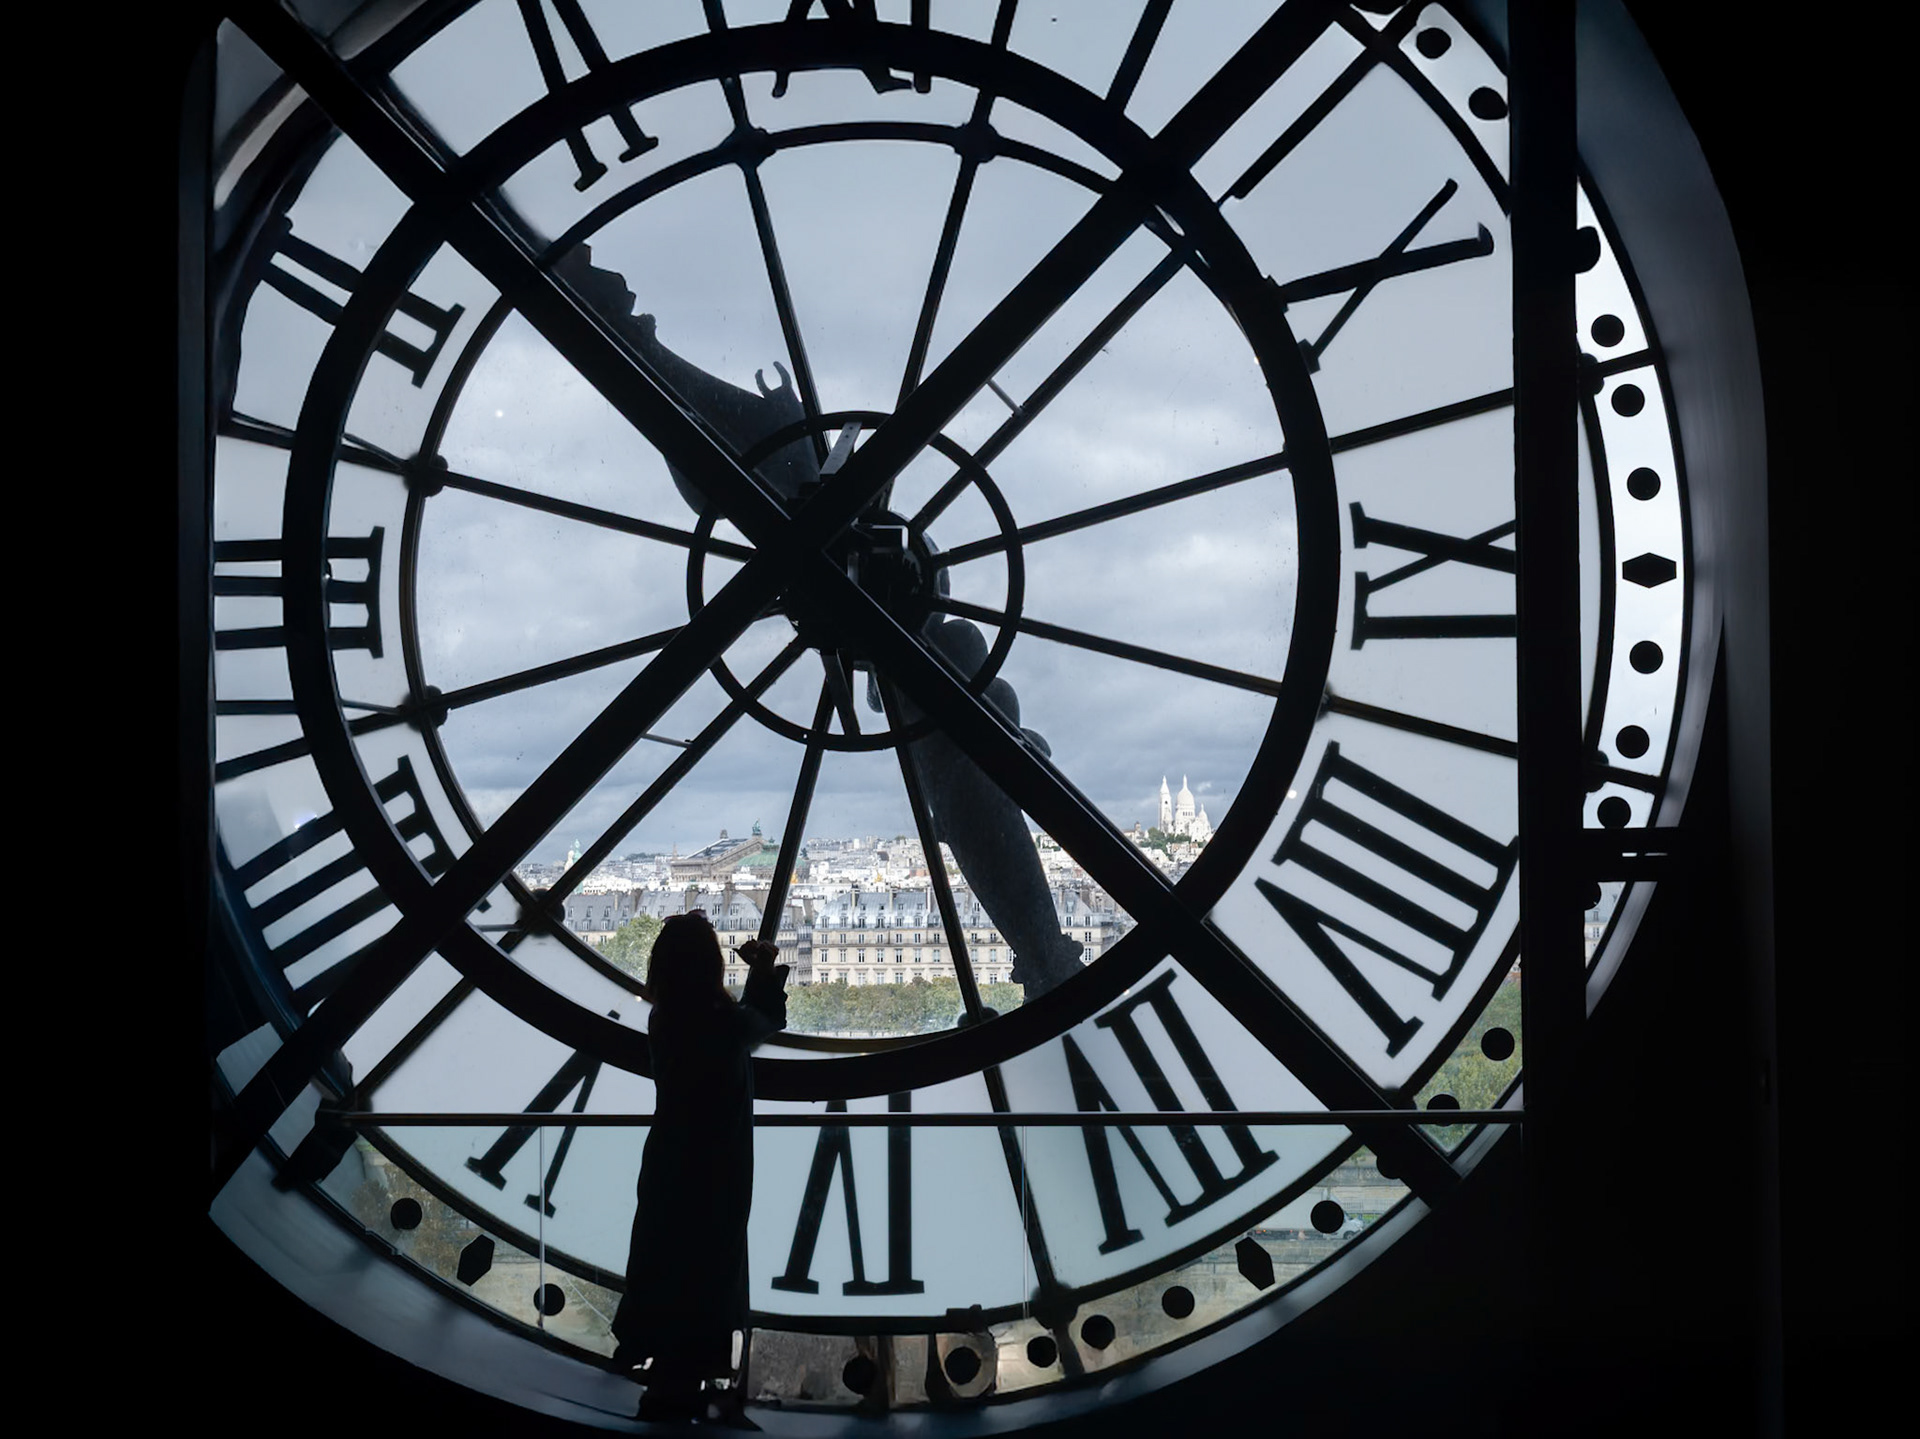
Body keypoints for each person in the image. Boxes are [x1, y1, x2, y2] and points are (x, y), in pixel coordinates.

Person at [610, 911, 788, 1424]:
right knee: (710, 1269)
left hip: (673, 1157)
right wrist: (763, 967)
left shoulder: (667, 1016)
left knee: (672, 1264)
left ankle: (672, 1380)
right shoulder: (714, 1018)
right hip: (716, 1163)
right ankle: (695, 1380)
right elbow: (762, 1022)